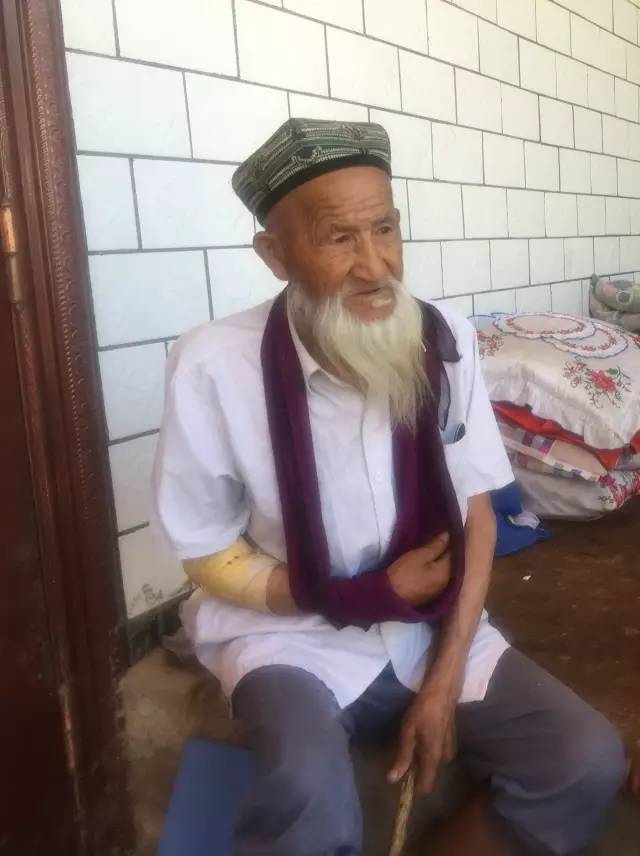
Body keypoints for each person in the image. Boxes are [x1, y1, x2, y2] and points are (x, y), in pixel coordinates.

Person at [152, 119, 626, 855]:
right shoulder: (212, 365)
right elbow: (208, 552)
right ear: (275, 255)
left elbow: (477, 513)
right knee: (305, 792)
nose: (374, 267)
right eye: (339, 238)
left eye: (385, 229)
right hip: (290, 636)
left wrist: (443, 677)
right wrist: (366, 594)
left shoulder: (444, 339)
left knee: (583, 759)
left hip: (430, 624)